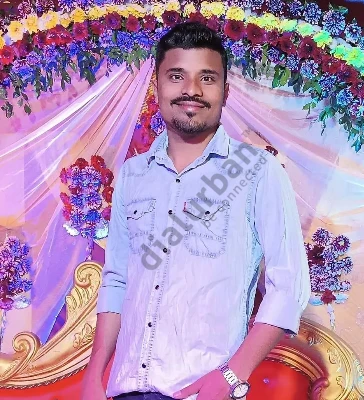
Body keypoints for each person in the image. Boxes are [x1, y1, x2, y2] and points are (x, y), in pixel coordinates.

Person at [81, 22, 311, 400]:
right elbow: (117, 279)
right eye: (177, 76)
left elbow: (289, 287)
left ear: (225, 91)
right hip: (126, 390)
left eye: (207, 78)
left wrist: (231, 376)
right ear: (157, 86)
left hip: (202, 391)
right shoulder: (133, 175)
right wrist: (93, 376)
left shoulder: (258, 171)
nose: (192, 90)